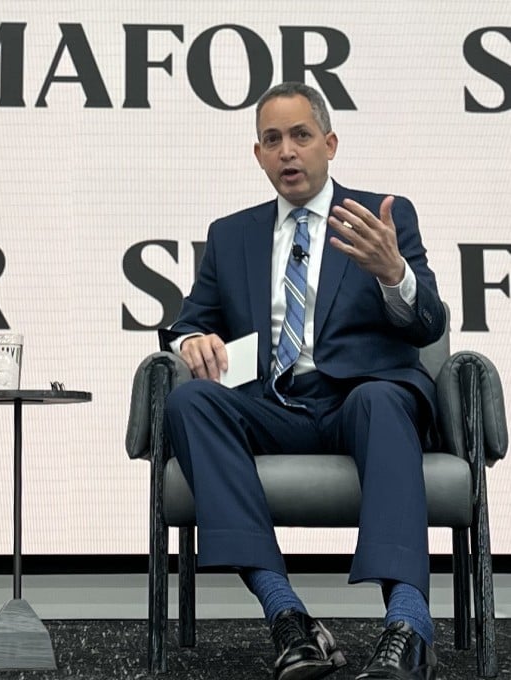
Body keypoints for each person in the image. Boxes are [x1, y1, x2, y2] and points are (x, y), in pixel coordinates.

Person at [162, 82, 444, 680]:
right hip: (274, 404)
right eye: (272, 139)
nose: (287, 151)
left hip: (362, 401)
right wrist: (192, 341)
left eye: (301, 135)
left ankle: (408, 625)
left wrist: (395, 275)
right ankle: (288, 618)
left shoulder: (381, 216)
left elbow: (428, 325)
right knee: (191, 401)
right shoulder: (231, 234)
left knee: (380, 397)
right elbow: (190, 321)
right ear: (258, 155)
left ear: (330, 143)